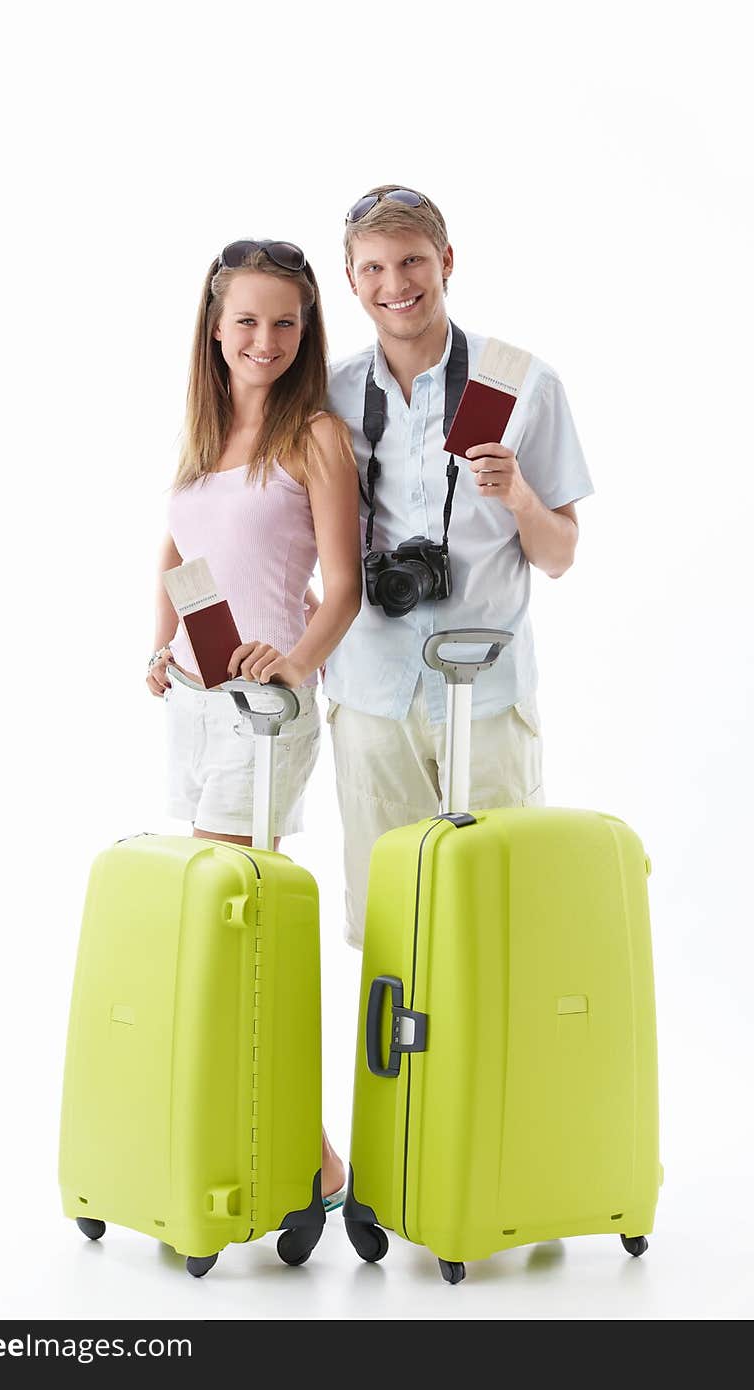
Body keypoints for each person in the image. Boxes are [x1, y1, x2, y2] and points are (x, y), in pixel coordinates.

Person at [146, 239, 361, 1206]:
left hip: (266, 713)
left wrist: (296, 661)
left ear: (306, 327)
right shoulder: (202, 436)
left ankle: (311, 1161)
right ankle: (280, 1148)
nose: (266, 339)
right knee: (228, 923)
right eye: (248, 321)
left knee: (231, 921)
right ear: (214, 325)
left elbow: (345, 588)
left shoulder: (313, 434)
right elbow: (178, 546)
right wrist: (160, 645)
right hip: (194, 703)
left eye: (286, 321)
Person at [325, 186, 594, 949]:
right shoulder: (330, 393)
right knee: (390, 924)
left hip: (487, 690)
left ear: (446, 261)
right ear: (350, 278)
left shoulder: (521, 382)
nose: (395, 284)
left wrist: (519, 497)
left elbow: (562, 555)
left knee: (503, 920)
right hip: (372, 691)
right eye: (373, 267)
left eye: (412, 260)